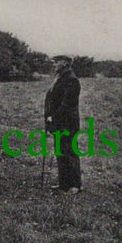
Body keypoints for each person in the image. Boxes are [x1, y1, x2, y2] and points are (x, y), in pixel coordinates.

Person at [44, 55, 82, 194]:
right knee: (61, 152)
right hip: (59, 123)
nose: (54, 64)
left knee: (70, 152)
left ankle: (75, 185)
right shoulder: (60, 78)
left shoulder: (72, 80)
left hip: (68, 123)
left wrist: (53, 117)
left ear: (65, 63)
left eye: (56, 62)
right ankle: (63, 184)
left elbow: (66, 104)